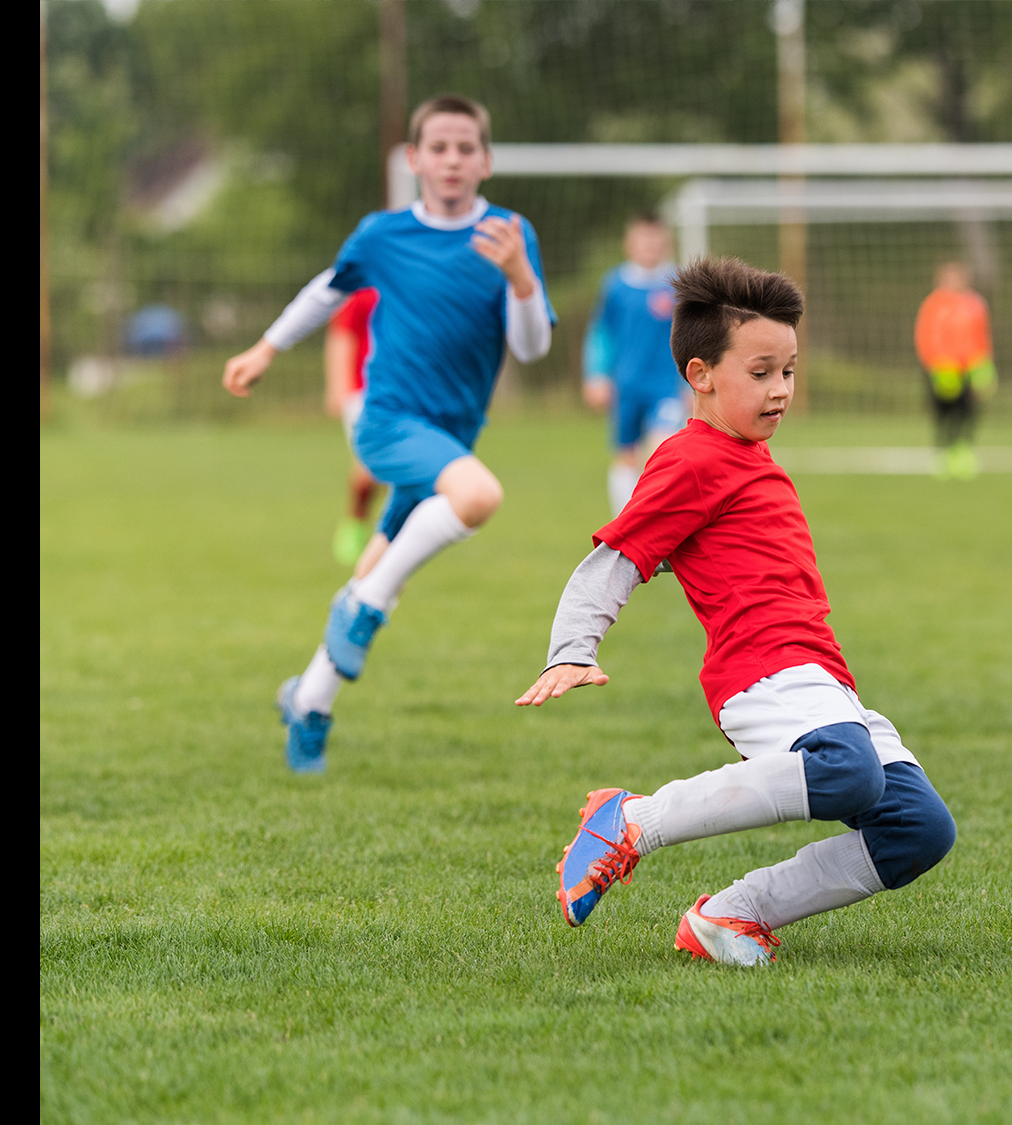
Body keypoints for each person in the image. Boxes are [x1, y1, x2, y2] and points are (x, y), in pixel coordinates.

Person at [518, 257, 956, 966]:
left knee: (919, 825)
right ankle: (632, 821)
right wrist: (574, 647)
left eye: (788, 371)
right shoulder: (690, 457)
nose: (781, 390)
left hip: (820, 677)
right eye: (761, 373)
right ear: (701, 375)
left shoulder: (748, 456)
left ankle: (732, 914)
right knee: (848, 772)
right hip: (760, 671)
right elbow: (617, 557)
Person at [222, 94, 556, 773]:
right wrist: (265, 349)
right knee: (478, 497)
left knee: (380, 560)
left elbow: (532, 348)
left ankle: (308, 703)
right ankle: (362, 608)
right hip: (388, 422)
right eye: (439, 147)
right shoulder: (382, 234)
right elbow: (327, 288)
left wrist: (521, 276)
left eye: (466, 148)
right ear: (414, 159)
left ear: (485, 161)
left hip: (454, 434)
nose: (453, 159)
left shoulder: (510, 234)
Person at [580, 214, 688, 517]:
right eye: (643, 239)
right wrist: (596, 375)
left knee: (660, 452)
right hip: (626, 385)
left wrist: (690, 384)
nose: (650, 246)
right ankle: (623, 526)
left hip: (665, 386)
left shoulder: (678, 284)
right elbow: (601, 333)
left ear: (666, 243)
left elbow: (693, 338)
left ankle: (656, 524)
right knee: (626, 456)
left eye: (656, 240)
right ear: (629, 243)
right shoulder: (615, 285)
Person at [913, 260, 997, 480]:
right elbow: (926, 335)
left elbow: (982, 335)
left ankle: (963, 452)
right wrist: (933, 363)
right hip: (942, 369)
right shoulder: (933, 304)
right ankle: (942, 451)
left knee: (968, 411)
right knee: (943, 412)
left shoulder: (975, 303)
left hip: (969, 367)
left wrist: (984, 365)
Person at [324, 287, 385, 566]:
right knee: (370, 469)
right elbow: (342, 334)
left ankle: (390, 535)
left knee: (394, 469)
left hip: (405, 393)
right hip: (363, 393)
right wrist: (338, 385)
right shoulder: (365, 291)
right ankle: (356, 519)